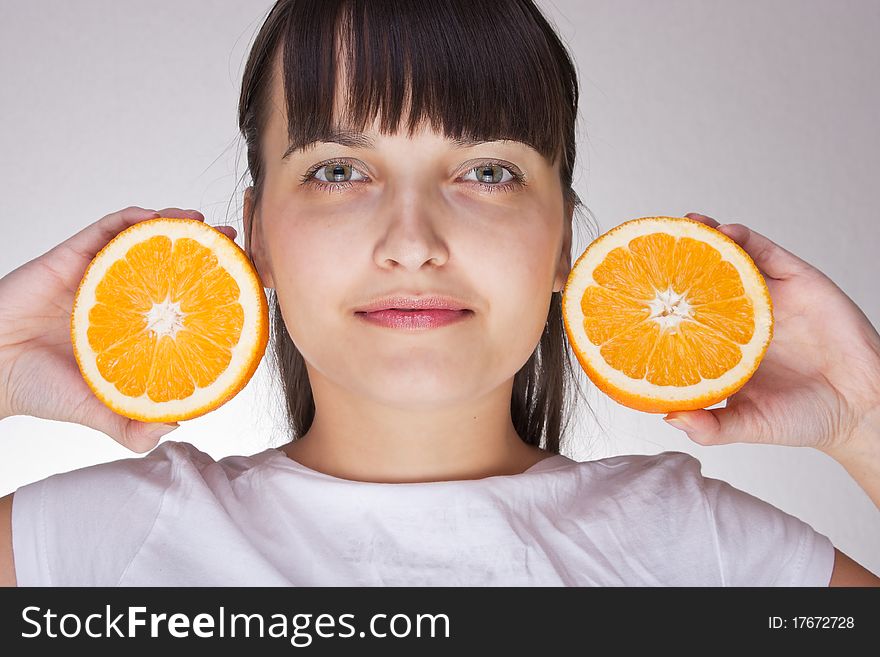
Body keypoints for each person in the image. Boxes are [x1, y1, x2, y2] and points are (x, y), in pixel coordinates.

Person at [0, 0, 878, 586]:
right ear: (257, 233)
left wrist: (864, 413)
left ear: (566, 239)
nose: (412, 243)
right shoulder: (95, 551)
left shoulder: (707, 559)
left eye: (487, 171)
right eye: (340, 170)